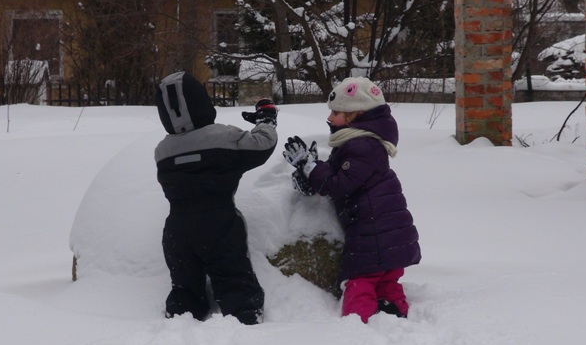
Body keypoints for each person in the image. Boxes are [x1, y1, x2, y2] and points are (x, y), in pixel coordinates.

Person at [282, 76, 421, 323]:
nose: (329, 118)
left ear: (355, 115)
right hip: (387, 233)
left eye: (336, 112)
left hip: (373, 233)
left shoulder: (362, 146)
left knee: (361, 281)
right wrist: (313, 170)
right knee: (387, 278)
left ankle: (360, 324)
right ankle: (395, 311)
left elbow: (339, 185)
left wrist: (310, 166)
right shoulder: (361, 143)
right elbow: (344, 173)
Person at [154, 71, 278, 325]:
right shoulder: (223, 138)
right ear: (202, 103)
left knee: (184, 287)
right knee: (234, 281)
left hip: (177, 230)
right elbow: (263, 145)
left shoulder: (162, 151)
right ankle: (245, 323)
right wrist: (266, 120)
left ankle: (178, 325)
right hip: (219, 225)